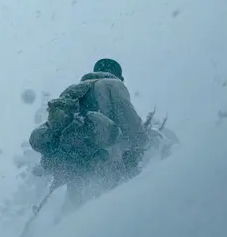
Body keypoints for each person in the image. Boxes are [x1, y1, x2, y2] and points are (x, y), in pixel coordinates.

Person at [28, 58, 148, 210]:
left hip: (77, 166)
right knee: (108, 208)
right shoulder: (113, 84)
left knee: (76, 210)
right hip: (107, 161)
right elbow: (131, 125)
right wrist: (145, 145)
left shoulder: (74, 91)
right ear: (117, 75)